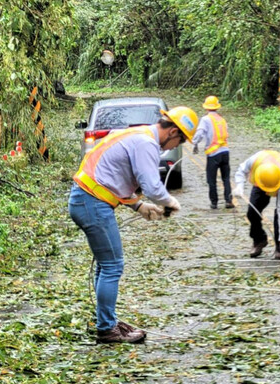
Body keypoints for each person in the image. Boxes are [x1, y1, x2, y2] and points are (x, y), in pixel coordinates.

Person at [68, 106, 198, 344]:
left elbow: (113, 177)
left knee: (105, 266)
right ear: (173, 133)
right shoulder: (146, 143)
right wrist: (169, 202)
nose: (175, 147)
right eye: (181, 140)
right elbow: (151, 186)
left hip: (88, 199)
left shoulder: (139, 135)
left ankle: (107, 321)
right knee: (112, 265)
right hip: (91, 202)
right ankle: (107, 329)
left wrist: (139, 206)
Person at [233, 150, 280, 260]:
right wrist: (239, 185)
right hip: (262, 179)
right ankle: (259, 240)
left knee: (279, 214)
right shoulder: (255, 161)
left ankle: (279, 248)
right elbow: (241, 170)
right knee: (252, 212)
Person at [192, 96, 234, 209]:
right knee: (226, 178)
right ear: (217, 107)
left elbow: (200, 133)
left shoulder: (206, 119)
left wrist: (194, 143)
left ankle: (214, 202)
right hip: (225, 152)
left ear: (206, 107)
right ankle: (229, 201)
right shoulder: (222, 119)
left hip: (213, 153)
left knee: (211, 180)